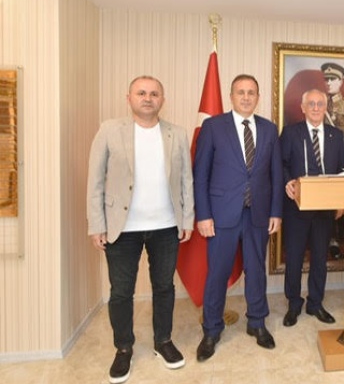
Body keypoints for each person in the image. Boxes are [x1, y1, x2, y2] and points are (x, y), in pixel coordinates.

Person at [87, 75, 193, 384]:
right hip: (122, 229)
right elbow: (95, 180)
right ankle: (123, 348)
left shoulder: (177, 133)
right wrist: (97, 224)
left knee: (164, 287)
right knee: (121, 292)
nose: (148, 98)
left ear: (163, 100)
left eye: (154, 94)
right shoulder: (109, 130)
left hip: (166, 226)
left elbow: (186, 180)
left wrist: (187, 219)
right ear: (129, 98)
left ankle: (163, 341)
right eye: (142, 93)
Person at [194, 74, 283, 360]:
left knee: (256, 271)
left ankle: (257, 322)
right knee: (217, 273)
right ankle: (211, 329)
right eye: (240, 92)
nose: (246, 97)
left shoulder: (269, 129)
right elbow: (200, 174)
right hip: (221, 215)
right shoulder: (213, 127)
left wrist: (276, 211)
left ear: (258, 97)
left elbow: (276, 174)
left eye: (251, 92)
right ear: (231, 96)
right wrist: (203, 215)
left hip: (258, 213)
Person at [280, 89, 344, 327]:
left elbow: (341, 170)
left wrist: (341, 202)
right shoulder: (290, 133)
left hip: (325, 209)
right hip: (297, 207)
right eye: (311, 104)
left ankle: (315, 303)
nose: (316, 108)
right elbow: (281, 164)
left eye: (320, 104)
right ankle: (293, 304)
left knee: (320, 257)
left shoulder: (336, 135)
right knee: (294, 257)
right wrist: (287, 181)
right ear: (303, 107)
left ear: (326, 107)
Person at [321, 62, 344, 260]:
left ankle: (341, 239)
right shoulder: (320, 103)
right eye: (326, 79)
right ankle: (329, 238)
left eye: (332, 79)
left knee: (341, 199)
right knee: (326, 199)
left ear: (341, 81)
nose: (328, 82)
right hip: (323, 160)